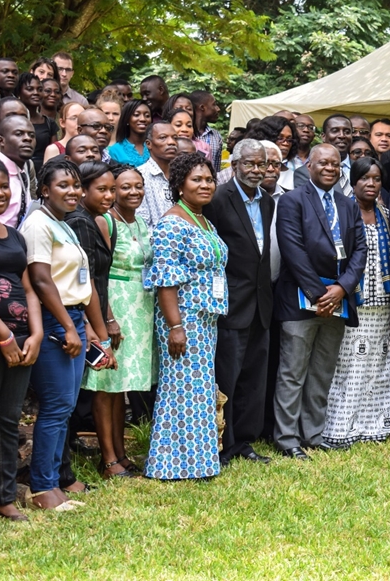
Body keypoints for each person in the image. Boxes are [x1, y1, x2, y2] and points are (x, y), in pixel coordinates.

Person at [22, 159, 114, 508]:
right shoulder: (38, 225)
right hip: (52, 320)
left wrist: (92, 331)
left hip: (72, 318)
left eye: (76, 185)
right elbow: (42, 280)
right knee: (56, 405)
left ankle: (58, 480)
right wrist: (66, 326)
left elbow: (82, 282)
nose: (73, 191)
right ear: (45, 189)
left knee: (65, 405)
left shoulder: (64, 224)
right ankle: (43, 488)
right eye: (63, 185)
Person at [272, 145, 366, 459]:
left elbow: (360, 251)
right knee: (293, 371)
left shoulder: (347, 204)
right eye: (323, 162)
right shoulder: (292, 200)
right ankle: (287, 438)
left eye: (335, 164)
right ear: (309, 165)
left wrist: (342, 289)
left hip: (338, 300)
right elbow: (293, 251)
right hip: (300, 299)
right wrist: (319, 294)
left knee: (323, 371)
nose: (329, 168)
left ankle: (312, 435)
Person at [144, 152, 227, 480]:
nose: (205, 185)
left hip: (207, 317)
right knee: (181, 390)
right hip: (183, 318)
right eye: (197, 179)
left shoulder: (203, 220)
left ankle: (200, 463)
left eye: (209, 179)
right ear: (179, 185)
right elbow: (165, 279)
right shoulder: (171, 224)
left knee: (200, 390)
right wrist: (175, 326)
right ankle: (168, 464)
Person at [202, 140, 275, 465]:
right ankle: (224, 444)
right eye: (250, 164)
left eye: (261, 164)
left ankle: (245, 441)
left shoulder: (269, 202)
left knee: (253, 379)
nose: (256, 170)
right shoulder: (218, 198)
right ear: (235, 164)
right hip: (231, 303)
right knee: (227, 378)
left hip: (261, 304)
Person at [81, 165, 155, 477]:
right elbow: (98, 274)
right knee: (106, 385)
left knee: (121, 385)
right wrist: (108, 319)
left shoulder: (137, 220)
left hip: (140, 306)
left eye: (138, 186)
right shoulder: (105, 221)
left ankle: (121, 454)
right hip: (116, 306)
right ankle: (108, 458)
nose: (132, 192)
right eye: (123, 187)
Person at [322, 157, 390, 448]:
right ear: (353, 181)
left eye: (376, 179)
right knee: (348, 366)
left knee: (377, 366)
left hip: (382, 302)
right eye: (365, 178)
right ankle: (340, 429)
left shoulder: (386, 213)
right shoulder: (342, 211)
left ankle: (373, 426)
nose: (371, 184)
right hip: (352, 300)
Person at [0, 157, 42, 522]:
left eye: (3, 186)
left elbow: (29, 288)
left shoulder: (14, 236)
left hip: (22, 340)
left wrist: (35, 334)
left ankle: (4, 496)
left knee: (7, 420)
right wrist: (4, 336)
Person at [66, 162, 125, 477]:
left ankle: (114, 454)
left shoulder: (97, 220)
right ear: (83, 190)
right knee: (92, 391)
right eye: (101, 189)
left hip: (97, 312)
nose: (109, 195)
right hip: (85, 317)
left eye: (111, 189)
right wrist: (98, 331)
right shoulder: (81, 223)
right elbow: (84, 281)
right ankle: (104, 461)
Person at [0, 116, 36, 228]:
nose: (27, 139)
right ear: (1, 141)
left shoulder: (24, 169)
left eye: (32, 135)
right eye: (19, 134)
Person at [136, 121, 179, 226]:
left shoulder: (181, 175)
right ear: (148, 144)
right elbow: (142, 224)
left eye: (175, 138)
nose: (171, 142)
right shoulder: (140, 176)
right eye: (163, 137)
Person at [16, 73, 59, 172]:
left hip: (43, 172)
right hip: (19, 170)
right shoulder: (12, 121)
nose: (36, 93)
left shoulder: (49, 123)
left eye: (39, 89)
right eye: (30, 89)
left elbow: (54, 155)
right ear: (19, 93)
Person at [107, 100, 152, 166]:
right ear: (127, 119)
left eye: (147, 116)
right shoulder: (115, 150)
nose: (143, 119)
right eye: (136, 115)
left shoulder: (156, 146)